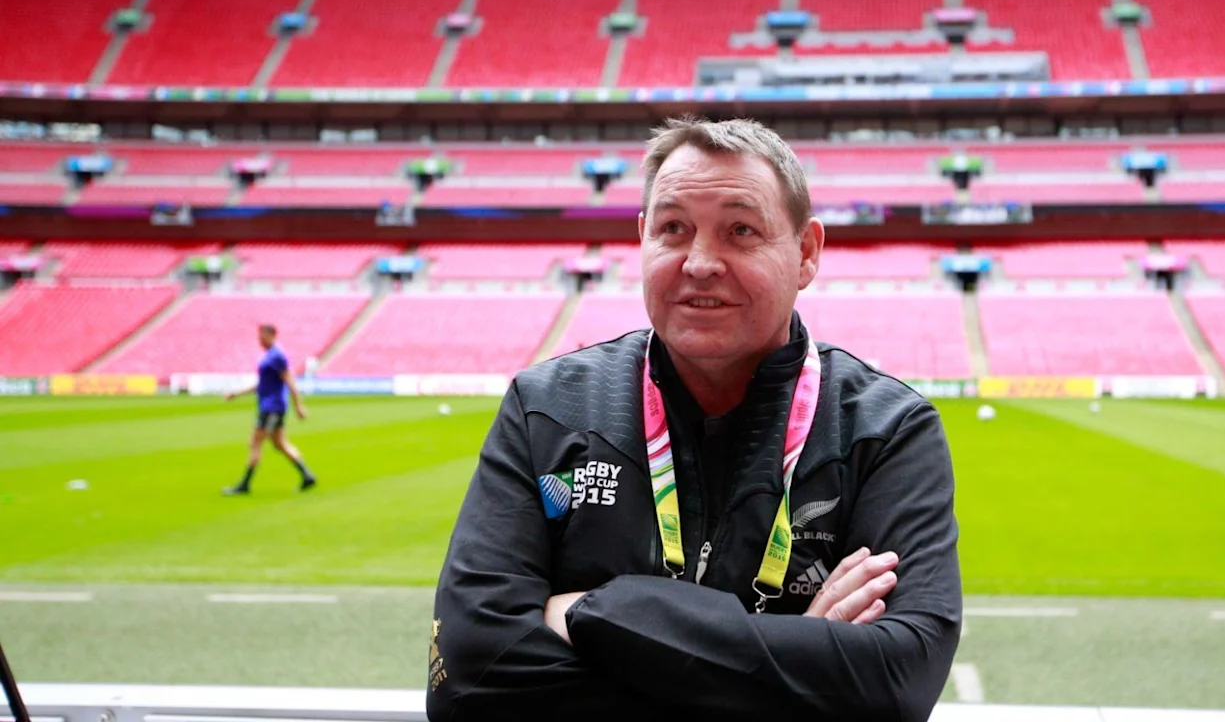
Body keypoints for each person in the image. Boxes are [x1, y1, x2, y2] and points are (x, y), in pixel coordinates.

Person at [430, 118, 961, 721]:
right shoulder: (546, 408)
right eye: (673, 229)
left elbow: (900, 682)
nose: (700, 262)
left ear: (806, 252)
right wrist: (803, 666)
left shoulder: (887, 430)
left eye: (740, 230)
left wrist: (596, 613)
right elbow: (470, 678)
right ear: (642, 238)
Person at [222, 323, 315, 495]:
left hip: (272, 407)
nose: (259, 340)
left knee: (255, 442)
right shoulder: (270, 356)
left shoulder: (277, 356)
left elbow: (290, 381)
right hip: (270, 405)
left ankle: (245, 484)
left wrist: (299, 406)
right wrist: (236, 393)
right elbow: (262, 385)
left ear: (271, 335)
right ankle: (307, 475)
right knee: (279, 444)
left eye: (261, 337)